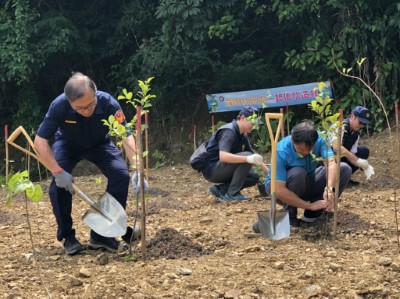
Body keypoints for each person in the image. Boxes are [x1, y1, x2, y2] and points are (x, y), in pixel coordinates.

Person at [34, 72, 141, 255]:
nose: (87, 111)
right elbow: (40, 141)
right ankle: (67, 236)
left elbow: (126, 135)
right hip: (67, 144)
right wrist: (57, 171)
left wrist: (136, 168)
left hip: (100, 143)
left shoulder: (108, 103)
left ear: (96, 93)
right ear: (69, 102)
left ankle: (101, 235)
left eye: (91, 105)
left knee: (120, 175)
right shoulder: (58, 106)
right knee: (58, 187)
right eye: (80, 108)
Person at [253, 120, 352, 229]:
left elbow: (331, 163)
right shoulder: (281, 150)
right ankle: (290, 217)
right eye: (301, 149)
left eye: (309, 149)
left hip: (308, 181)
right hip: (279, 189)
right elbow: (279, 190)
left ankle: (314, 213)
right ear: (292, 140)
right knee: (298, 173)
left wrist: (329, 188)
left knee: (344, 169)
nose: (305, 152)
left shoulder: (320, 139)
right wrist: (309, 205)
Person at [201, 106, 268, 203]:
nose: (254, 126)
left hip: (223, 168)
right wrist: (248, 158)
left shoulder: (242, 134)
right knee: (247, 156)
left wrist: (270, 175)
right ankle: (233, 194)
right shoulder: (229, 132)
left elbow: (255, 158)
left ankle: (221, 190)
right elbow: (223, 157)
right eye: (252, 122)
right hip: (212, 169)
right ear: (243, 118)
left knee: (254, 176)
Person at [331, 106, 374, 186]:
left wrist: (364, 166)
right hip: (329, 159)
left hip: (342, 158)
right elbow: (336, 147)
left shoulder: (355, 135)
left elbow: (352, 155)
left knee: (363, 151)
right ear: (353, 116)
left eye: (364, 124)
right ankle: (334, 181)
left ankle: (345, 178)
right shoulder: (340, 126)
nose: (362, 126)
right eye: (360, 122)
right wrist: (358, 160)